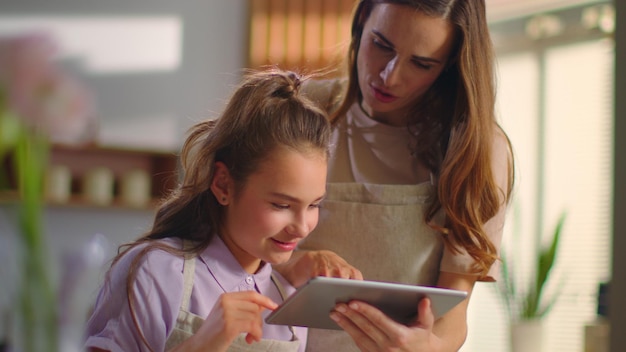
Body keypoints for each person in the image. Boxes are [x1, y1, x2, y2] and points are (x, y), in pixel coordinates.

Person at [273, 0, 515, 351]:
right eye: (381, 45)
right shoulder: (298, 110)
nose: (390, 75)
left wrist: (426, 347)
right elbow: (228, 249)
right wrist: (293, 263)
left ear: (449, 66)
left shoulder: (475, 150)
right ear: (360, 22)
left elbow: (453, 314)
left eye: (421, 63)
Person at [83, 68, 332, 352]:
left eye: (314, 205)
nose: (301, 227)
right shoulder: (154, 272)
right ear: (223, 184)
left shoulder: (289, 299)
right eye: (281, 205)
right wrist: (200, 345)